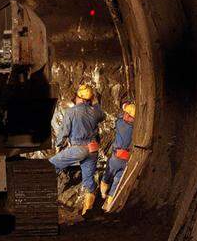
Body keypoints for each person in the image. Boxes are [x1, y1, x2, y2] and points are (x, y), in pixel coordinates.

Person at [49, 84, 104, 215]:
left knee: (50, 164)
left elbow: (64, 132)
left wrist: (59, 145)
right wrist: (94, 102)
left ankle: (45, 193)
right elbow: (102, 115)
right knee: (88, 181)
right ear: (90, 98)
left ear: (78, 98)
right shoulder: (96, 111)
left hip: (79, 148)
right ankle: (87, 212)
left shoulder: (71, 112)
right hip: (93, 149)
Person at [100, 101, 135, 211]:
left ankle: (102, 195)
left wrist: (125, 106)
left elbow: (119, 116)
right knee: (116, 182)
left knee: (107, 176)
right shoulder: (135, 129)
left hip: (116, 157)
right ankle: (109, 206)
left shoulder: (121, 123)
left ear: (127, 115)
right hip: (126, 160)